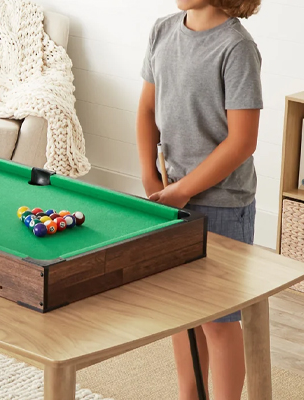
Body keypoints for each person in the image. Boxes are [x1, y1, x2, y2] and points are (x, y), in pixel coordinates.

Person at [137, 0, 262, 399]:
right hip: (173, 198)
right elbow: (146, 108)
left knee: (219, 322)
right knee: (183, 316)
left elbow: (242, 141)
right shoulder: (162, 30)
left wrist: (184, 188)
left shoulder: (235, 47)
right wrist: (148, 174)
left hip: (223, 205)